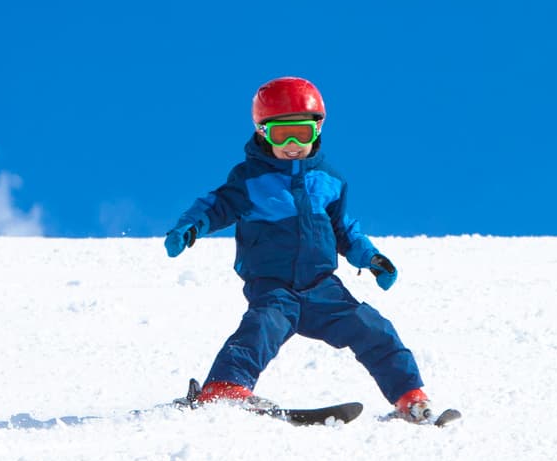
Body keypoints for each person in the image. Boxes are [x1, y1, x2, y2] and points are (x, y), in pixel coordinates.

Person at [163, 76, 442, 422]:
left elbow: (345, 230)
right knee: (261, 328)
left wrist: (371, 258)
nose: (293, 144)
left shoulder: (330, 181)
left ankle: (409, 396)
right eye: (282, 134)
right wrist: (190, 227)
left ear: (319, 129)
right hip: (274, 285)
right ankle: (225, 387)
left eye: (303, 133)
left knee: (374, 328)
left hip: (323, 288)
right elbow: (215, 206)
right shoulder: (250, 180)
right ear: (263, 132)